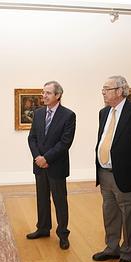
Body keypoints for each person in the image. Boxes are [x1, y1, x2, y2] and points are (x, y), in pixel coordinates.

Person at [92, 75, 131, 262]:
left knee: (129, 217)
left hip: (127, 175)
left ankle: (127, 254)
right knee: (110, 213)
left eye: (106, 89)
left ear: (120, 90)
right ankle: (112, 248)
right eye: (103, 89)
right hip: (105, 172)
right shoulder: (104, 112)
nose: (103, 92)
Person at [27, 81, 76, 250]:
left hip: (56, 166)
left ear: (58, 95)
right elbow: (31, 138)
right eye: (43, 92)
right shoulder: (39, 113)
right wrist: (38, 158)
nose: (44, 96)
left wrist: (46, 158)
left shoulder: (69, 115)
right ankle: (42, 228)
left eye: (48, 93)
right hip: (39, 165)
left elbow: (65, 143)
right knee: (42, 198)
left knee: (60, 201)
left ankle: (63, 234)